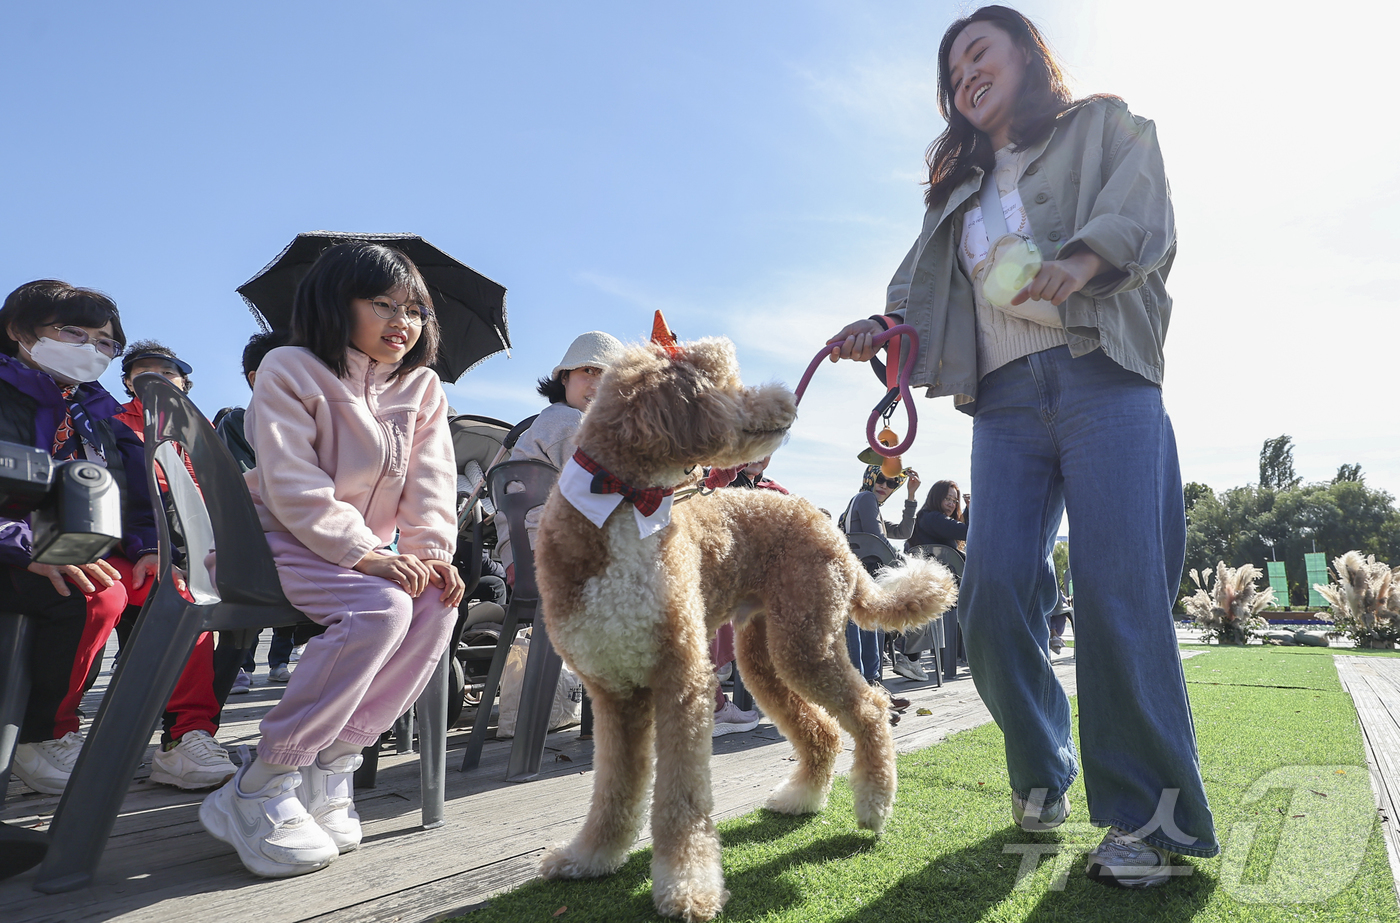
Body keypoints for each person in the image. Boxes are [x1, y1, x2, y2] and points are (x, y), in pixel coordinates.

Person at [825, 4, 1216, 887]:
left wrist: (1080, 262)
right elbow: (917, 292)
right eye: (951, 70)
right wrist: (880, 328)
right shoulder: (955, 193)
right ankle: (1045, 773)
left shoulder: (1106, 127)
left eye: (977, 50)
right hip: (1001, 405)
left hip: (1104, 378)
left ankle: (1155, 828)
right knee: (994, 596)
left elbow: (1142, 212)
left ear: (1025, 55)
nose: (964, 73)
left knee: (1119, 595)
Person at [198, 241, 463, 877]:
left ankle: (334, 766)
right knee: (379, 609)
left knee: (434, 598)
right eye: (382, 304)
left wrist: (431, 554)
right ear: (336, 304)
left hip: (361, 554)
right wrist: (364, 551)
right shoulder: (290, 368)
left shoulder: (422, 388)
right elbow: (292, 484)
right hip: (276, 542)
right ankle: (262, 781)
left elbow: (433, 484)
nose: (404, 321)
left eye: (416, 309)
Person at [0, 280, 158, 795]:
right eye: (72, 331)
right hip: (17, 543)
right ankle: (41, 733)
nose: (91, 349)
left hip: (79, 540)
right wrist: (25, 547)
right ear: (20, 332)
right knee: (91, 590)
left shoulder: (103, 414)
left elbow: (136, 495)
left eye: (106, 342)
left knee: (172, 590)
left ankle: (186, 735)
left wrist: (149, 546)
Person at [113, 339, 239, 788]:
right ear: (127, 381)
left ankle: (194, 732)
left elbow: (221, 496)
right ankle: (184, 735)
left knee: (238, 618)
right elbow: (124, 498)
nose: (154, 380)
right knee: (177, 604)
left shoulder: (198, 429)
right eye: (141, 372)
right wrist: (148, 547)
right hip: (138, 548)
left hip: (201, 546)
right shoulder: (113, 423)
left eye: (166, 373)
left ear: (185, 382)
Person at [212, 330, 321, 691]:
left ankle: (281, 661)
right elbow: (250, 482)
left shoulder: (313, 421)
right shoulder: (237, 421)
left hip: (305, 533)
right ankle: (240, 666)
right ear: (257, 378)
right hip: (256, 536)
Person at [498, 331, 625, 581]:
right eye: (587, 371)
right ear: (564, 378)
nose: (597, 385)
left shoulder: (546, 420)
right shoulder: (569, 422)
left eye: (608, 377)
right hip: (553, 557)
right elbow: (610, 491)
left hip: (522, 556)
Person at [838, 464, 920, 704]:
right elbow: (877, 539)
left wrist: (911, 496)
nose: (885, 486)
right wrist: (903, 566)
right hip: (856, 575)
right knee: (862, 630)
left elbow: (904, 531)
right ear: (870, 477)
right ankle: (862, 693)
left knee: (870, 627)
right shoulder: (865, 498)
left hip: (862, 576)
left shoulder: (869, 504)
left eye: (892, 483)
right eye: (881, 480)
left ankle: (872, 689)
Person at [907, 479, 968, 552]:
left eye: (954, 501)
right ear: (936, 497)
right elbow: (968, 532)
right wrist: (972, 510)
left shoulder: (923, 518)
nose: (951, 504)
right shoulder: (934, 518)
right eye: (947, 499)